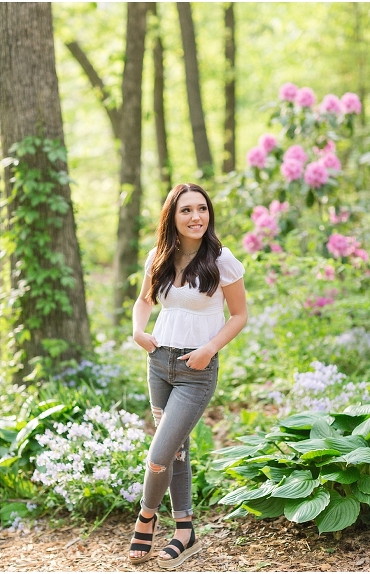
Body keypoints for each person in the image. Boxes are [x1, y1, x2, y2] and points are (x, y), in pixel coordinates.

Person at [128, 183, 248, 568]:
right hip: (159, 363)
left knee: (160, 454)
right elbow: (145, 300)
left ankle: (146, 517)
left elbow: (240, 315)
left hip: (196, 370)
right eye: (186, 211)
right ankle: (185, 531)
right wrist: (137, 330)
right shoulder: (159, 257)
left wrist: (209, 349)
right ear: (172, 217)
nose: (196, 217)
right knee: (177, 449)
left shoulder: (221, 260)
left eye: (202, 209)